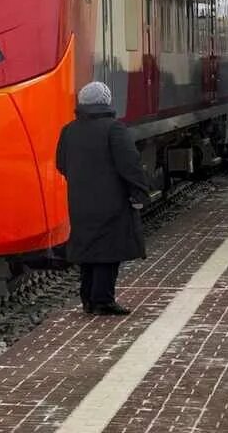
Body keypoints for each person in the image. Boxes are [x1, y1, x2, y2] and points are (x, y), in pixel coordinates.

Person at [56, 81, 150, 317]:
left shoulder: (69, 130)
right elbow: (130, 165)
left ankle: (88, 299)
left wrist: (81, 182)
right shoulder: (114, 129)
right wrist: (138, 192)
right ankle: (103, 301)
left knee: (87, 250)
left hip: (80, 200)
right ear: (106, 101)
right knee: (109, 252)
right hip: (111, 201)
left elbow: (61, 163)